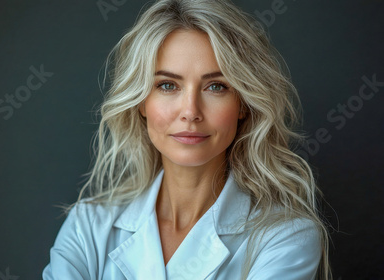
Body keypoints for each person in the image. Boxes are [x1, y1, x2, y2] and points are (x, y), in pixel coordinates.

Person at [43, 0, 331, 279]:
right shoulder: (87, 226)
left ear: (243, 104)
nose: (191, 112)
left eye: (216, 86)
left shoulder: (286, 237)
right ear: (141, 102)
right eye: (167, 85)